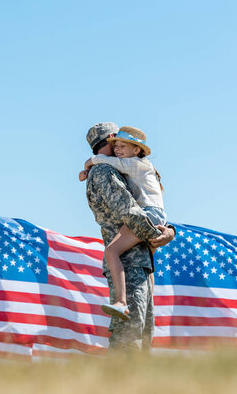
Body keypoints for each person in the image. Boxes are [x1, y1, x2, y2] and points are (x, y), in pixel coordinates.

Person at [83, 122, 175, 350]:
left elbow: (146, 206)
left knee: (142, 336)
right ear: (111, 138)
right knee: (129, 338)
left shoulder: (118, 169)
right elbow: (131, 212)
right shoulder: (104, 171)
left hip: (139, 262)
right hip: (128, 263)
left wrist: (169, 231)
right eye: (116, 141)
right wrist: (160, 235)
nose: (119, 146)